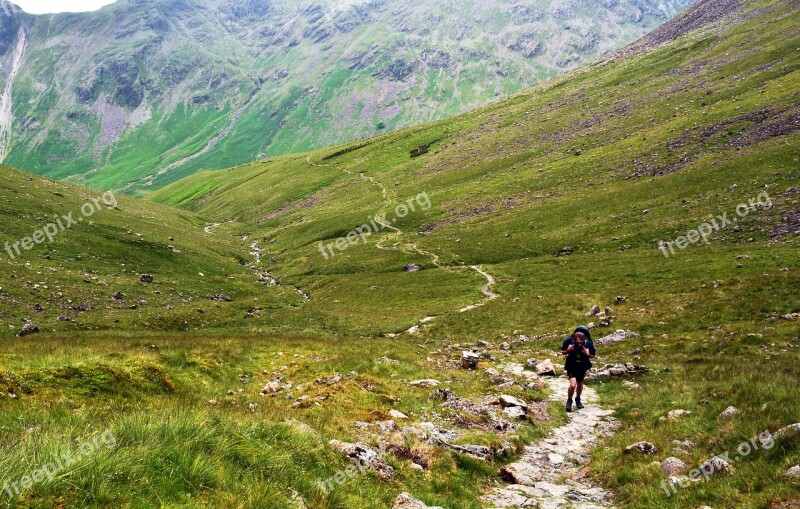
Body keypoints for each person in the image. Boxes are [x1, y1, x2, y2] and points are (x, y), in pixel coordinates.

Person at [561, 326, 596, 412]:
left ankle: (578, 399)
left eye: (581, 342)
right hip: (571, 364)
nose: (579, 344)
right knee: (573, 384)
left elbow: (593, 355)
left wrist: (587, 354)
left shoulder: (588, 344)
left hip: (582, 365)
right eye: (577, 343)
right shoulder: (568, 341)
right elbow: (562, 352)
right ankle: (569, 401)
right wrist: (568, 350)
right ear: (574, 339)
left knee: (580, 383)